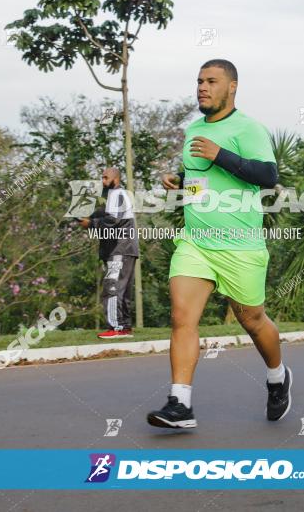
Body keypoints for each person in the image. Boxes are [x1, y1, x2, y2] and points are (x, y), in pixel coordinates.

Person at [146, 59, 290, 429]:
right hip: (196, 242)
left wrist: (220, 155)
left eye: (212, 81)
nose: (202, 88)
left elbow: (268, 176)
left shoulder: (248, 128)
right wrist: (179, 180)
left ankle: (278, 377)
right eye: (199, 81)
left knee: (253, 320)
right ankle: (180, 404)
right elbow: (198, 176)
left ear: (232, 87)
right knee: (181, 317)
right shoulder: (193, 128)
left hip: (240, 245)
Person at [79, 167, 139, 339]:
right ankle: (125, 327)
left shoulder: (116, 194)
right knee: (123, 289)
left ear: (116, 179)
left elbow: (112, 220)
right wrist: (91, 218)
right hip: (127, 249)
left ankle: (116, 327)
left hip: (120, 248)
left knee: (112, 286)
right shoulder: (118, 195)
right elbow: (108, 216)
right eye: (102, 178)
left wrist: (90, 224)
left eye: (106, 178)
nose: (103, 181)